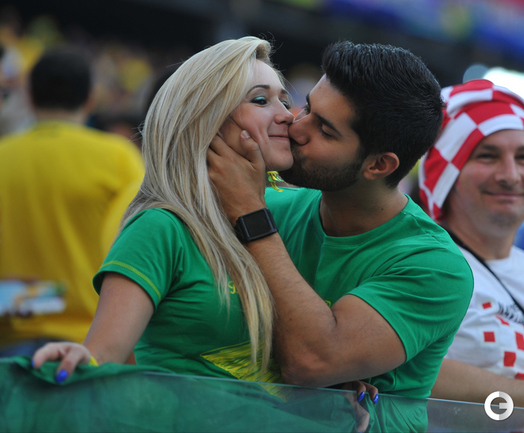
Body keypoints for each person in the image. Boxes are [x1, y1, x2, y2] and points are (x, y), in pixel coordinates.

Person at [30, 37, 376, 403]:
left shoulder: (280, 226)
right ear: (206, 119)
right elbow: (104, 355)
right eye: (261, 100)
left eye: (284, 100)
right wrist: (79, 359)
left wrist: (326, 390)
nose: (288, 116)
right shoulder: (161, 227)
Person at [207, 41, 474, 399]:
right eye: (307, 107)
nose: (294, 126)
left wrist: (251, 217)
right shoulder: (265, 204)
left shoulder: (435, 267)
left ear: (379, 165)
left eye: (325, 130)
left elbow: (311, 363)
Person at [0, 47, 145, 356]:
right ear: (91, 98)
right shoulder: (119, 157)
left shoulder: (3, 155)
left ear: (29, 96)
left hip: (9, 342)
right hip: (89, 344)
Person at [418, 78, 524, 405]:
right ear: (445, 174)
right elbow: (399, 367)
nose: (510, 175)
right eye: (487, 156)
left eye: (523, 157)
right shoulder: (419, 263)